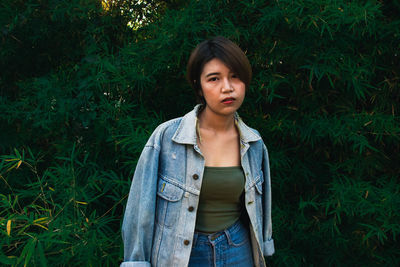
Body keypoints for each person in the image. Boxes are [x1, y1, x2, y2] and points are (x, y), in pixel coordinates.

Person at [120, 36, 274, 267]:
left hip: (238, 250)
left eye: (235, 76)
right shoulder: (167, 138)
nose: (227, 87)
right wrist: (136, 262)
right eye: (214, 79)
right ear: (199, 86)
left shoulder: (254, 143)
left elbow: (262, 206)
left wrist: (265, 243)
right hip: (181, 255)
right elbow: (140, 210)